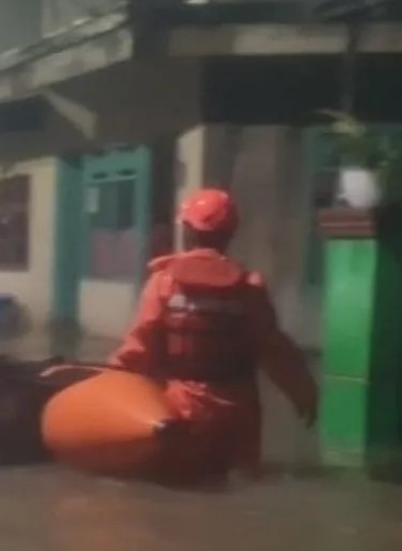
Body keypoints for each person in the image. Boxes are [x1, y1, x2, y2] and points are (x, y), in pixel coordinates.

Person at [109, 188, 318, 479]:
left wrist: (107, 381)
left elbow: (139, 345)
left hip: (183, 407)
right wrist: (303, 392)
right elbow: (275, 349)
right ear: (230, 234)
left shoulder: (163, 283)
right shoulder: (249, 287)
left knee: (183, 488)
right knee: (239, 488)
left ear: (187, 230)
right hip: (239, 413)